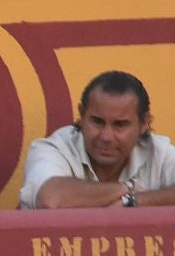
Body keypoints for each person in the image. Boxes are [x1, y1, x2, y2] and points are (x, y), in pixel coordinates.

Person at [19, 71, 175, 209]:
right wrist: (128, 188)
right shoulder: (53, 149)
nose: (106, 137)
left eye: (120, 125)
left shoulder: (158, 152)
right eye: (97, 122)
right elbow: (50, 198)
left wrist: (133, 201)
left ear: (144, 123)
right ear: (82, 115)